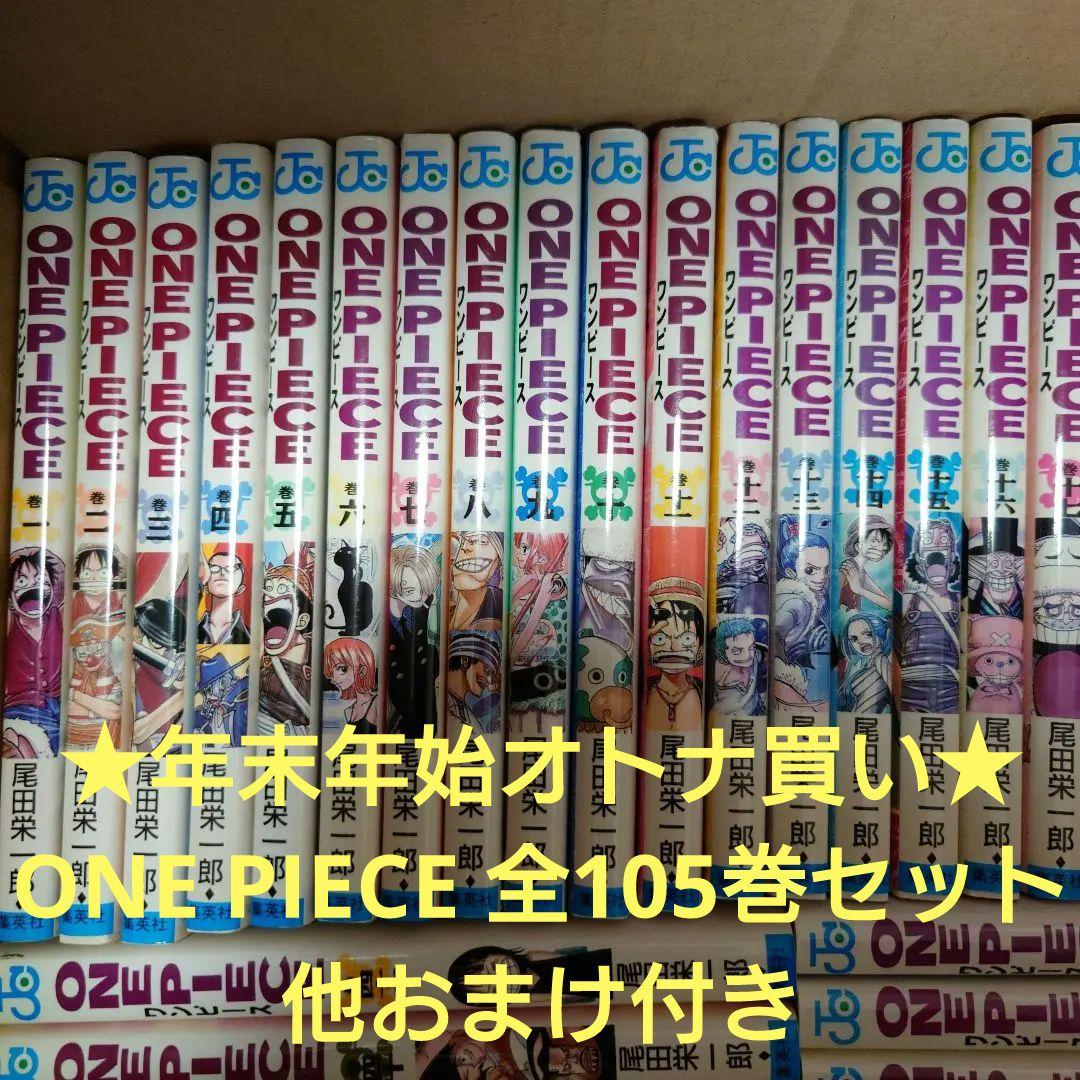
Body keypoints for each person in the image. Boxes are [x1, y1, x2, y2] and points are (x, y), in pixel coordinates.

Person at [3, 548, 65, 756]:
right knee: (49, 739)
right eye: (22, 581)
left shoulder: (60, 616)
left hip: (61, 702)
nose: (32, 587)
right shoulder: (9, 622)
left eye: (40, 580)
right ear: (11, 593)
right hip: (21, 704)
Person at [388, 542, 441, 738]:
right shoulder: (378, 618)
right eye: (411, 591)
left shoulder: (419, 609)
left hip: (423, 689)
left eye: (424, 590)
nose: (420, 597)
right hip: (396, 693)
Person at [643, 578, 705, 731]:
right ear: (649, 642)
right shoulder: (641, 688)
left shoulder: (705, 691)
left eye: (686, 638)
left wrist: (717, 741)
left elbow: (717, 726)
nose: (673, 648)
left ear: (700, 642)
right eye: (660, 638)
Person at [837, 610, 893, 714]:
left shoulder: (881, 660)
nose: (860, 641)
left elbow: (895, 692)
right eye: (854, 639)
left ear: (881, 634)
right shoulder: (870, 663)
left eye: (867, 634)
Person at [446, 631, 501, 733]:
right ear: (465, 661)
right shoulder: (437, 696)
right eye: (487, 670)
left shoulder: (463, 709)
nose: (487, 681)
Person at [712, 617, 767, 716]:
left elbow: (762, 653)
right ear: (722, 652)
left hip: (757, 713)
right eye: (737, 651)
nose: (747, 656)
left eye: (751, 647)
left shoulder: (755, 656)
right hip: (726, 719)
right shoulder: (721, 672)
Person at [837, 515, 893, 612]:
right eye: (874, 541)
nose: (881, 548)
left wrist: (859, 590)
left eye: (884, 544)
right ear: (857, 546)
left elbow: (887, 603)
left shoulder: (861, 572)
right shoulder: (848, 568)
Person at [323, 636, 377, 733]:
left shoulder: (377, 704)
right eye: (332, 671)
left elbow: (396, 736)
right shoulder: (348, 711)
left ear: (362, 671)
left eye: (343, 669)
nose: (334, 678)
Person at [198, 546, 250, 644]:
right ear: (206, 587)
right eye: (214, 568)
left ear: (241, 589)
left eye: (231, 568)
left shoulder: (248, 636)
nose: (222, 573)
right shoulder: (193, 630)